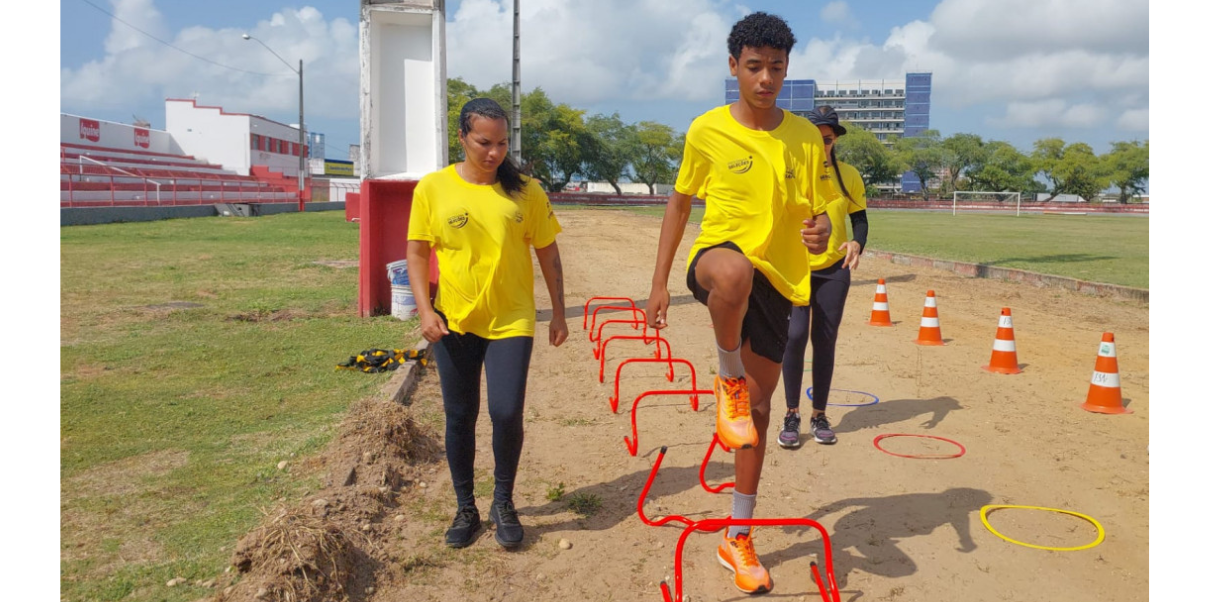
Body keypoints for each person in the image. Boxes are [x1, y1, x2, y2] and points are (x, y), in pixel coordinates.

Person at [644, 12, 832, 595]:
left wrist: (822, 228)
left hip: (780, 280)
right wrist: (658, 284)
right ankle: (725, 376)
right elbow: (678, 205)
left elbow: (819, 206)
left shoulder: (802, 136)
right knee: (732, 270)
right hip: (719, 260)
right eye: (754, 67)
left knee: (753, 421)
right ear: (733, 67)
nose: (766, 78)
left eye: (776, 68)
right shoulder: (706, 130)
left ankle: (738, 533)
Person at [406, 98, 568, 550]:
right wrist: (425, 310)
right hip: (454, 320)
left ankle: (504, 501)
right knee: (460, 416)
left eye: (501, 143)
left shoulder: (526, 192)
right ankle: (466, 509)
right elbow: (417, 254)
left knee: (505, 411)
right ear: (461, 137)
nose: (494, 152)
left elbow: (548, 252)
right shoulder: (433, 189)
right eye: (484, 142)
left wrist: (558, 310)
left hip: (511, 319)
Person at [778, 105, 869, 448]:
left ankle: (818, 414)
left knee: (825, 341)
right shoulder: (790, 175)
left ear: (833, 140)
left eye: (827, 139)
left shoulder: (849, 176)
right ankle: (791, 413)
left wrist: (857, 243)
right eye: (814, 139)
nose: (822, 145)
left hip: (834, 271)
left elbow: (860, 220)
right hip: (795, 270)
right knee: (795, 335)